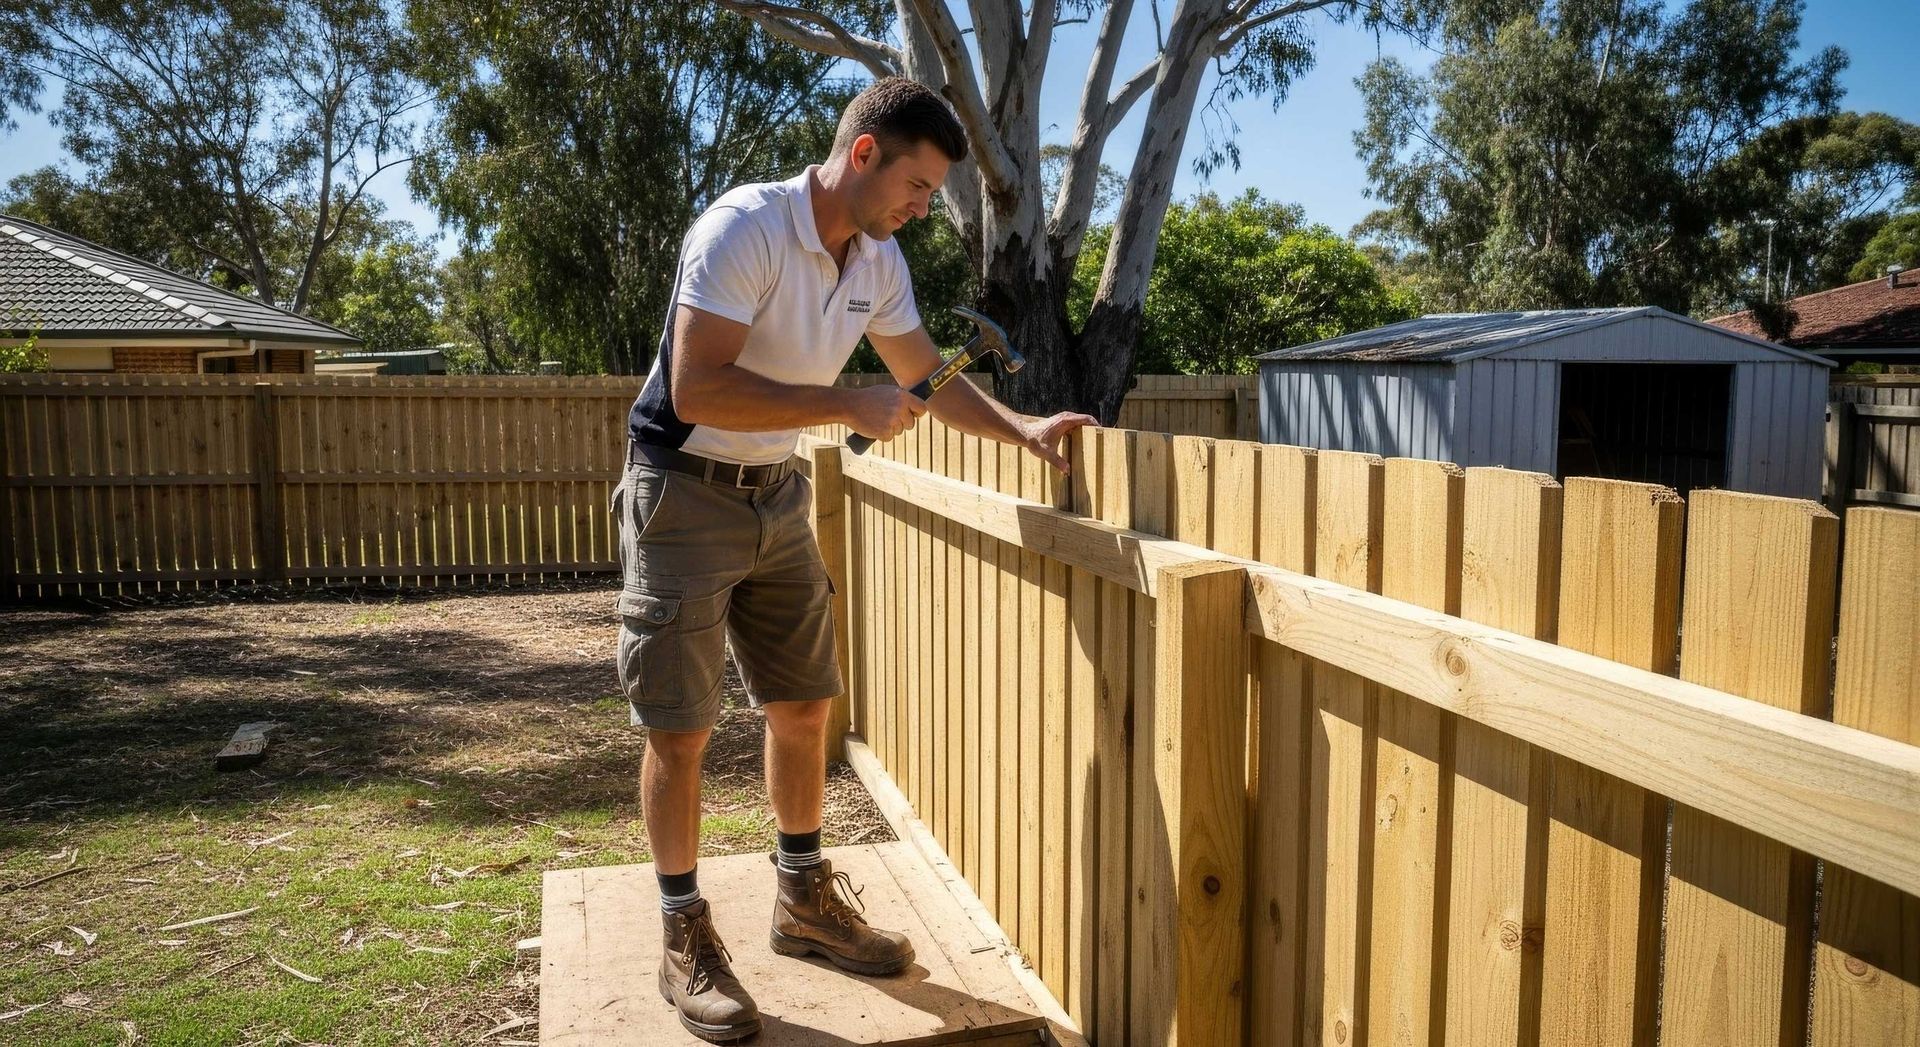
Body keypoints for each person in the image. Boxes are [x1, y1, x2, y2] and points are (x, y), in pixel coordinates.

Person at [614, 76, 1096, 1043]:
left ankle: (802, 902)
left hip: (777, 490)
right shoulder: (744, 229)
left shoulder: (877, 260)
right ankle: (682, 933)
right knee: (682, 727)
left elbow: (923, 375)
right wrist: (844, 403)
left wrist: (1023, 429)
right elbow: (699, 388)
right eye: (917, 186)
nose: (922, 208)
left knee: (804, 705)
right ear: (864, 153)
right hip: (684, 490)